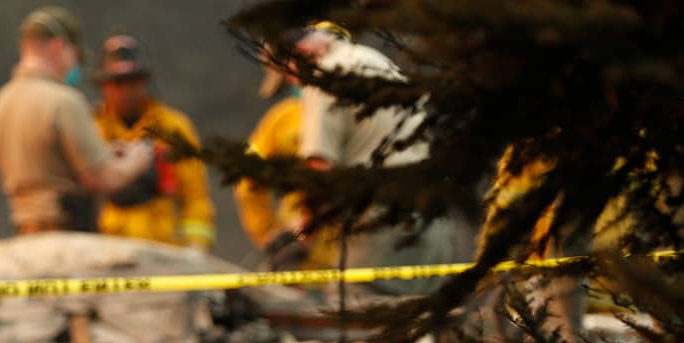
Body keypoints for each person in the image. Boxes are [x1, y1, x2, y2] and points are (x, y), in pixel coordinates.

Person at [294, 23, 470, 293]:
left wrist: (305, 228)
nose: (295, 84)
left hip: (382, 226)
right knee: (419, 316)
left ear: (300, 51)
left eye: (288, 73)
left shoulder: (325, 75)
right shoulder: (381, 64)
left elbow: (319, 165)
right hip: (434, 221)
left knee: (352, 310)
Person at [0, 8, 154, 235]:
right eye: (76, 56)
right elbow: (102, 178)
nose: (75, 66)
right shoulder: (64, 101)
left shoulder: (1, 101)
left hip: (24, 230)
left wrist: (104, 153)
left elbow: (49, 165)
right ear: (58, 46)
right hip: (66, 230)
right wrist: (138, 158)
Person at [91, 34, 216, 250]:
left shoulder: (173, 127)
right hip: (107, 249)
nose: (125, 91)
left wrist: (196, 248)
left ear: (144, 82)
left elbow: (195, 196)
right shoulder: (91, 129)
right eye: (117, 83)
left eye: (132, 82)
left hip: (163, 247)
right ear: (103, 86)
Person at [232, 50, 338, 270]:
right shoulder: (370, 112)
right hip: (358, 246)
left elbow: (248, 180)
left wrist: (267, 234)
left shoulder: (285, 119)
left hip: (307, 248)